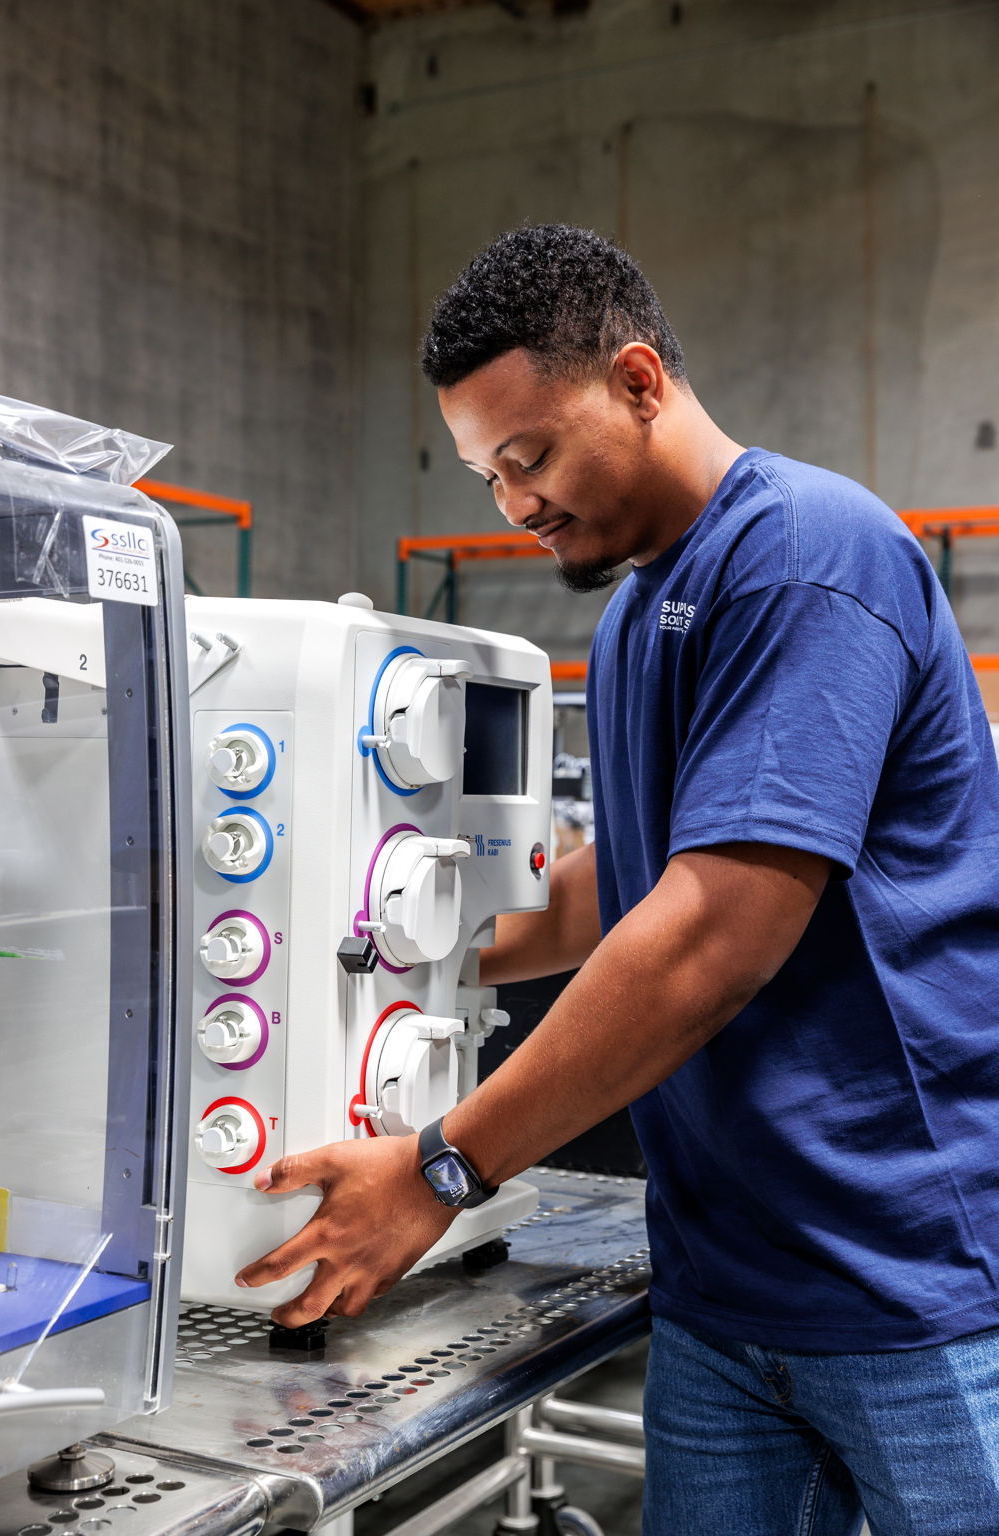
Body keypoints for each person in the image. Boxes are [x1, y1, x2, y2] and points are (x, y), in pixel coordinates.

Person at [236, 225, 999, 1533]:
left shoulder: (811, 555)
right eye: (486, 474)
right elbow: (619, 883)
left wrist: (436, 1171)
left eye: (528, 457)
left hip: (907, 1281)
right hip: (720, 1287)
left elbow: (711, 936)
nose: (513, 504)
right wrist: (379, 943)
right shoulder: (641, 613)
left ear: (640, 381)